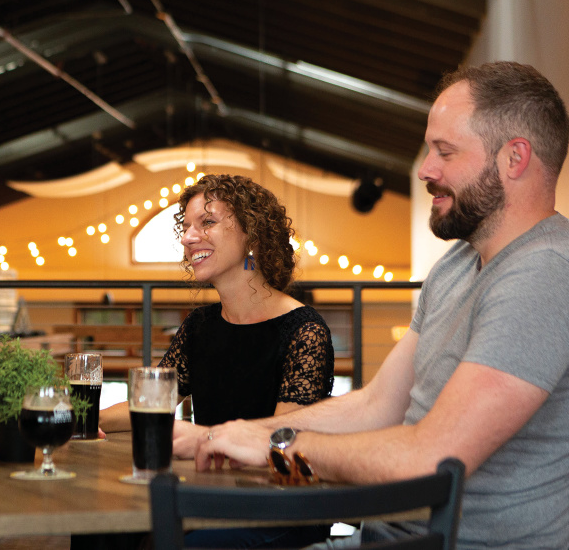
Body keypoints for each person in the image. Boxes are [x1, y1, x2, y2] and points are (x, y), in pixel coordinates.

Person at [197, 62, 569, 550]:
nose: (424, 170)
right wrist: (235, 433)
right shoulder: (458, 263)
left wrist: (278, 446)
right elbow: (378, 404)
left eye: (445, 151)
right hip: (389, 535)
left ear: (514, 159)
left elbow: (433, 456)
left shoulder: (545, 273)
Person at [98, 174, 335, 549]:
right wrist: (83, 418)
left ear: (253, 236)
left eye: (206, 223)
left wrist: (204, 439)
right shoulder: (200, 326)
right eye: (187, 227)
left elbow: (282, 440)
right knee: (107, 534)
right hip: (211, 494)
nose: (189, 237)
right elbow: (148, 405)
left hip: (282, 507)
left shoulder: (304, 331)